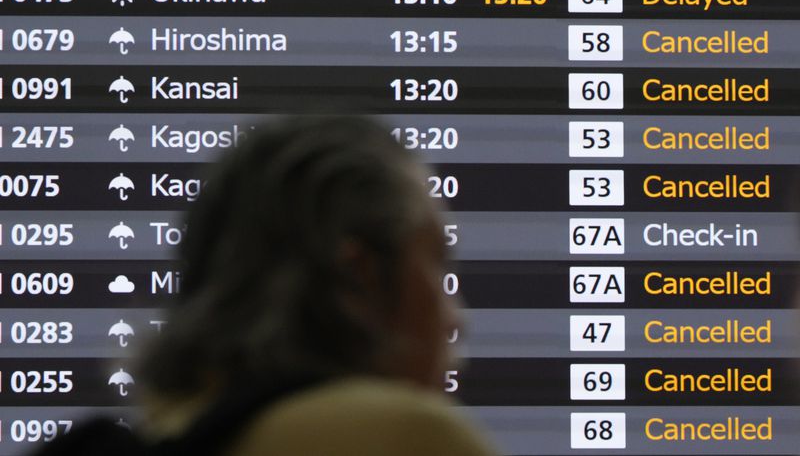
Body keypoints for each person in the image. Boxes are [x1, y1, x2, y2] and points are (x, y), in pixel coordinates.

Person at [35, 116, 496, 455]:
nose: (456, 317)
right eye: (436, 266)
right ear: (358, 275)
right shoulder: (407, 436)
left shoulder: (152, 434)